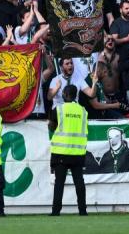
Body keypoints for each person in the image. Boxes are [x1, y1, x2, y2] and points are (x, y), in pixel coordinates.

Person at [48, 85, 89, 216]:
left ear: (65, 94)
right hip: (78, 152)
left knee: (59, 183)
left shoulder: (59, 109)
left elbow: (51, 126)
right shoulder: (83, 111)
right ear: (75, 95)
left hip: (61, 151)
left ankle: (56, 211)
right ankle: (83, 211)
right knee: (79, 183)